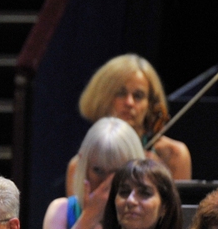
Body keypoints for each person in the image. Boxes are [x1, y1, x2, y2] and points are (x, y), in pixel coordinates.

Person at [36, 117, 146, 229]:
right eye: (98, 170)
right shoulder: (62, 209)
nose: (107, 183)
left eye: (117, 173)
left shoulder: (144, 214)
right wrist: (90, 216)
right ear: (83, 165)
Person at [70, 53, 192, 188]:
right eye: (121, 93)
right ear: (103, 99)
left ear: (151, 104)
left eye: (138, 96)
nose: (129, 102)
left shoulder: (174, 156)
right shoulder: (80, 166)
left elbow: (178, 209)